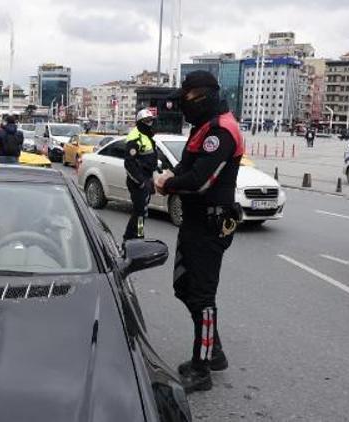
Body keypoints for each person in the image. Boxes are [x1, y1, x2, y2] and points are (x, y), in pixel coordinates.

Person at [154, 71, 244, 393]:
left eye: (189, 97)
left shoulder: (221, 131)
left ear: (203, 95)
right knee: (184, 288)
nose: (185, 105)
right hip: (193, 222)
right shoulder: (202, 128)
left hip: (209, 225)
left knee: (203, 298)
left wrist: (169, 184)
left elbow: (201, 180)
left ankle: (202, 367)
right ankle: (214, 351)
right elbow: (187, 168)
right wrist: (172, 178)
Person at [123, 108, 158, 240]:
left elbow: (149, 157)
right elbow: (129, 164)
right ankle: (135, 237)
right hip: (138, 181)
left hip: (147, 178)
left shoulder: (147, 136)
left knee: (142, 212)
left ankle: (135, 236)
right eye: (147, 121)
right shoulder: (135, 137)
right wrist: (141, 182)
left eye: (151, 121)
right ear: (140, 122)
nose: (150, 123)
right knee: (140, 212)